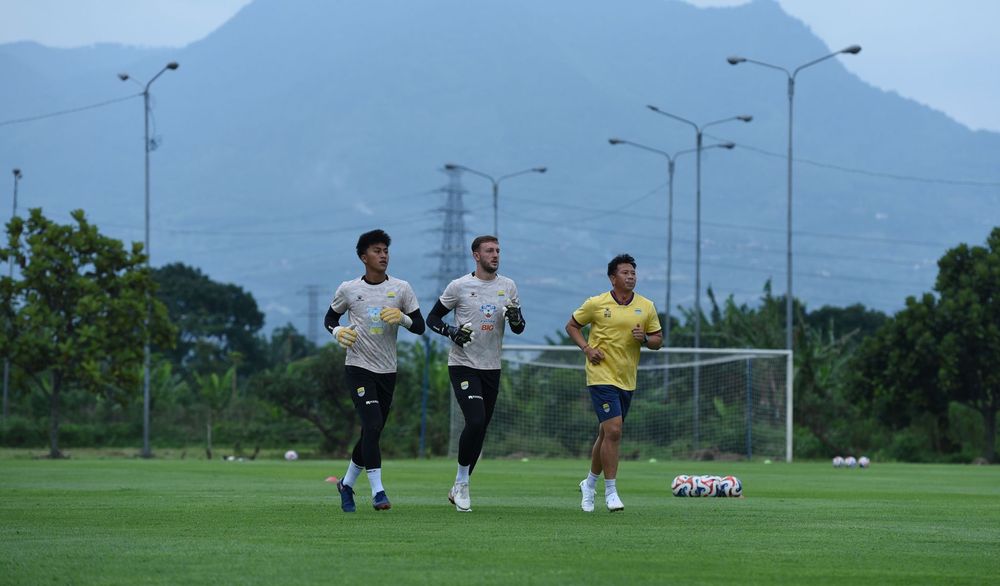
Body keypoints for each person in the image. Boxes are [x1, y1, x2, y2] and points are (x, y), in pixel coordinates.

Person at [325, 229, 425, 512]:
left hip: (387, 370)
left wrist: (403, 318)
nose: (383, 256)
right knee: (371, 424)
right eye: (377, 251)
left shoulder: (402, 288)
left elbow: (420, 326)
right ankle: (378, 491)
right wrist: (338, 331)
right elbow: (330, 317)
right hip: (358, 367)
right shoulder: (349, 289)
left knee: (373, 430)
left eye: (385, 251)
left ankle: (345, 484)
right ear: (363, 257)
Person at [426, 235, 526, 512]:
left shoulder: (508, 286)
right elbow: (432, 319)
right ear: (476, 255)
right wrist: (452, 331)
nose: (495, 255)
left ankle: (459, 484)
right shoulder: (459, 286)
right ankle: (463, 483)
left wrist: (517, 320)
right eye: (489, 251)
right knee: (475, 419)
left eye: (498, 251)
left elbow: (519, 326)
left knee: (480, 428)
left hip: (491, 366)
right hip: (463, 364)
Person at [565, 253, 662, 512]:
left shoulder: (646, 306)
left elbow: (658, 341)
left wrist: (644, 339)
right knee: (615, 431)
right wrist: (587, 348)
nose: (631, 277)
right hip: (600, 376)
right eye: (625, 273)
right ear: (612, 277)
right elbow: (572, 326)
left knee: (606, 433)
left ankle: (589, 484)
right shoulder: (596, 303)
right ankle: (611, 491)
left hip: (627, 379)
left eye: (633, 273)